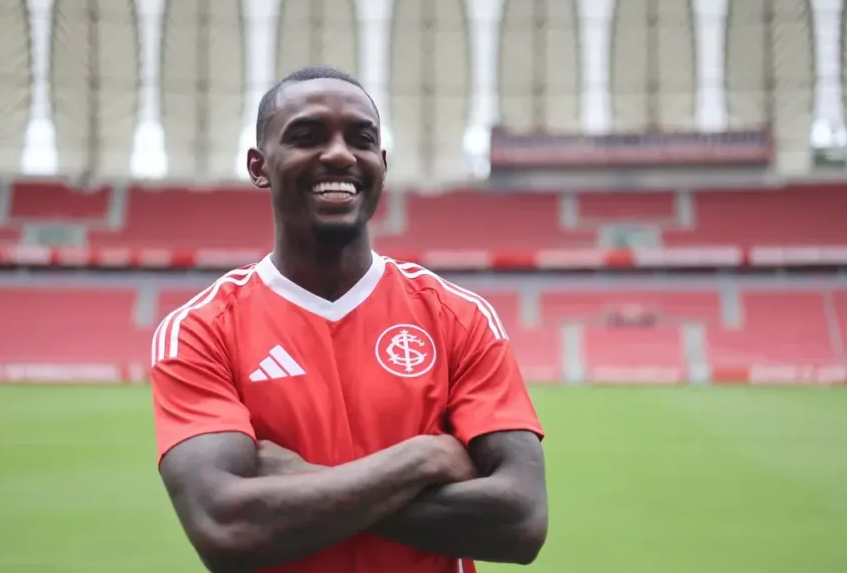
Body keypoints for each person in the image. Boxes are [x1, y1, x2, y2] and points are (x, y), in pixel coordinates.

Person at [149, 64, 548, 573]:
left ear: (381, 163)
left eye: (362, 139)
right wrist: (421, 460)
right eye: (307, 136)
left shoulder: (459, 317)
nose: (339, 154)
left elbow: (521, 521)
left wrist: (303, 480)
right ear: (258, 166)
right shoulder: (200, 331)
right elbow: (225, 527)